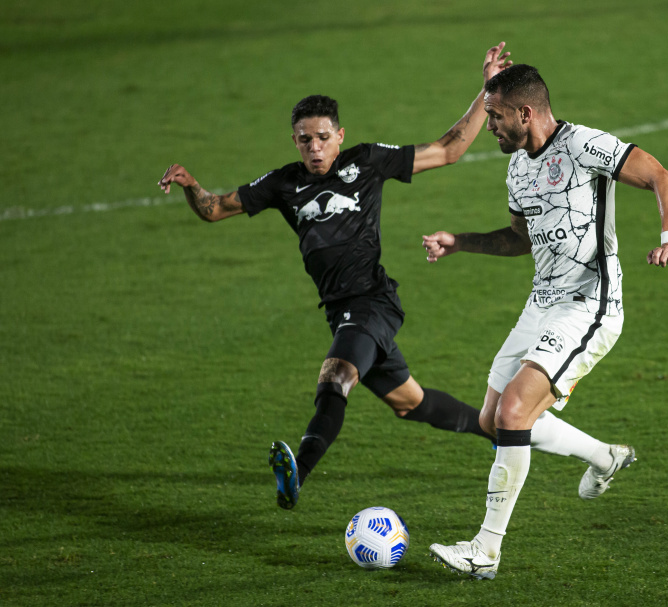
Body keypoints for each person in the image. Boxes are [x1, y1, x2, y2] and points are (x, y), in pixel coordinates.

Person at [157, 43, 516, 511]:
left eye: (323, 137)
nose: (315, 147)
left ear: (340, 135)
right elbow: (214, 209)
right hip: (340, 312)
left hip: (370, 303)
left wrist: (487, 87)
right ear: (294, 141)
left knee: (336, 376)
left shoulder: (365, 162)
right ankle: (496, 432)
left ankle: (297, 473)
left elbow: (448, 150)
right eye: (305, 139)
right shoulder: (283, 184)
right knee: (410, 402)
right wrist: (191, 185)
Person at [423, 63, 668, 579]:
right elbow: (520, 239)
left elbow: (662, 177)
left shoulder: (583, 145)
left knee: (516, 411)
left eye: (495, 116)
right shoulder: (518, 165)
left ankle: (486, 550)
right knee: (490, 420)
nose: (490, 125)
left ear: (526, 112)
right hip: (541, 303)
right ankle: (605, 456)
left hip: (590, 304)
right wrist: (462, 242)